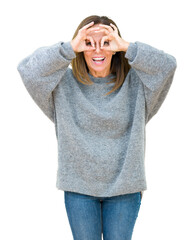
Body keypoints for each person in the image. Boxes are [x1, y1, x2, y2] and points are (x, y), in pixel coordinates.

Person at [17, 15, 177, 240]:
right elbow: (28, 71)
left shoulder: (138, 85)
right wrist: (69, 48)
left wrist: (126, 47)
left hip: (125, 189)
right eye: (89, 43)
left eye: (106, 42)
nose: (97, 50)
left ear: (115, 48)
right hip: (79, 190)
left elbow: (167, 66)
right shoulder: (62, 85)